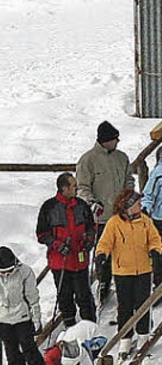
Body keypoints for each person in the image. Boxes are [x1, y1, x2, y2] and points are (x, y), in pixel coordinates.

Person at [95, 189, 162, 359]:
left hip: (143, 271)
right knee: (125, 306)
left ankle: (143, 335)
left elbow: (155, 239)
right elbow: (105, 242)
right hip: (122, 271)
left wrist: (155, 250)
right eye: (137, 203)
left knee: (142, 304)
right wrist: (101, 255)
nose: (140, 205)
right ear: (128, 206)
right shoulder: (114, 223)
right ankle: (125, 337)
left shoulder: (145, 221)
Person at [76, 121, 134, 304]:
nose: (117, 141)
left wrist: (129, 197)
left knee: (124, 248)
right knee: (104, 252)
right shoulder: (88, 160)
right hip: (101, 218)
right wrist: (91, 203)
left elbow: (128, 179)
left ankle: (124, 281)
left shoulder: (122, 157)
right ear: (105, 140)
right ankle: (103, 281)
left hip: (121, 214)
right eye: (115, 139)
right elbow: (82, 187)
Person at [36, 172, 96, 328]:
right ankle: (70, 325)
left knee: (84, 295)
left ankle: (90, 325)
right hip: (60, 262)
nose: (77, 189)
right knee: (65, 296)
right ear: (64, 188)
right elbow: (42, 234)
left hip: (80, 259)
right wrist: (57, 245)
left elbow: (91, 226)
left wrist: (89, 238)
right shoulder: (49, 207)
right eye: (74, 186)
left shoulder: (81, 205)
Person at [141, 147, 162, 287]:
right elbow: (148, 194)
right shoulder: (158, 174)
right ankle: (159, 284)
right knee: (159, 253)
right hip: (160, 218)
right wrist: (145, 209)